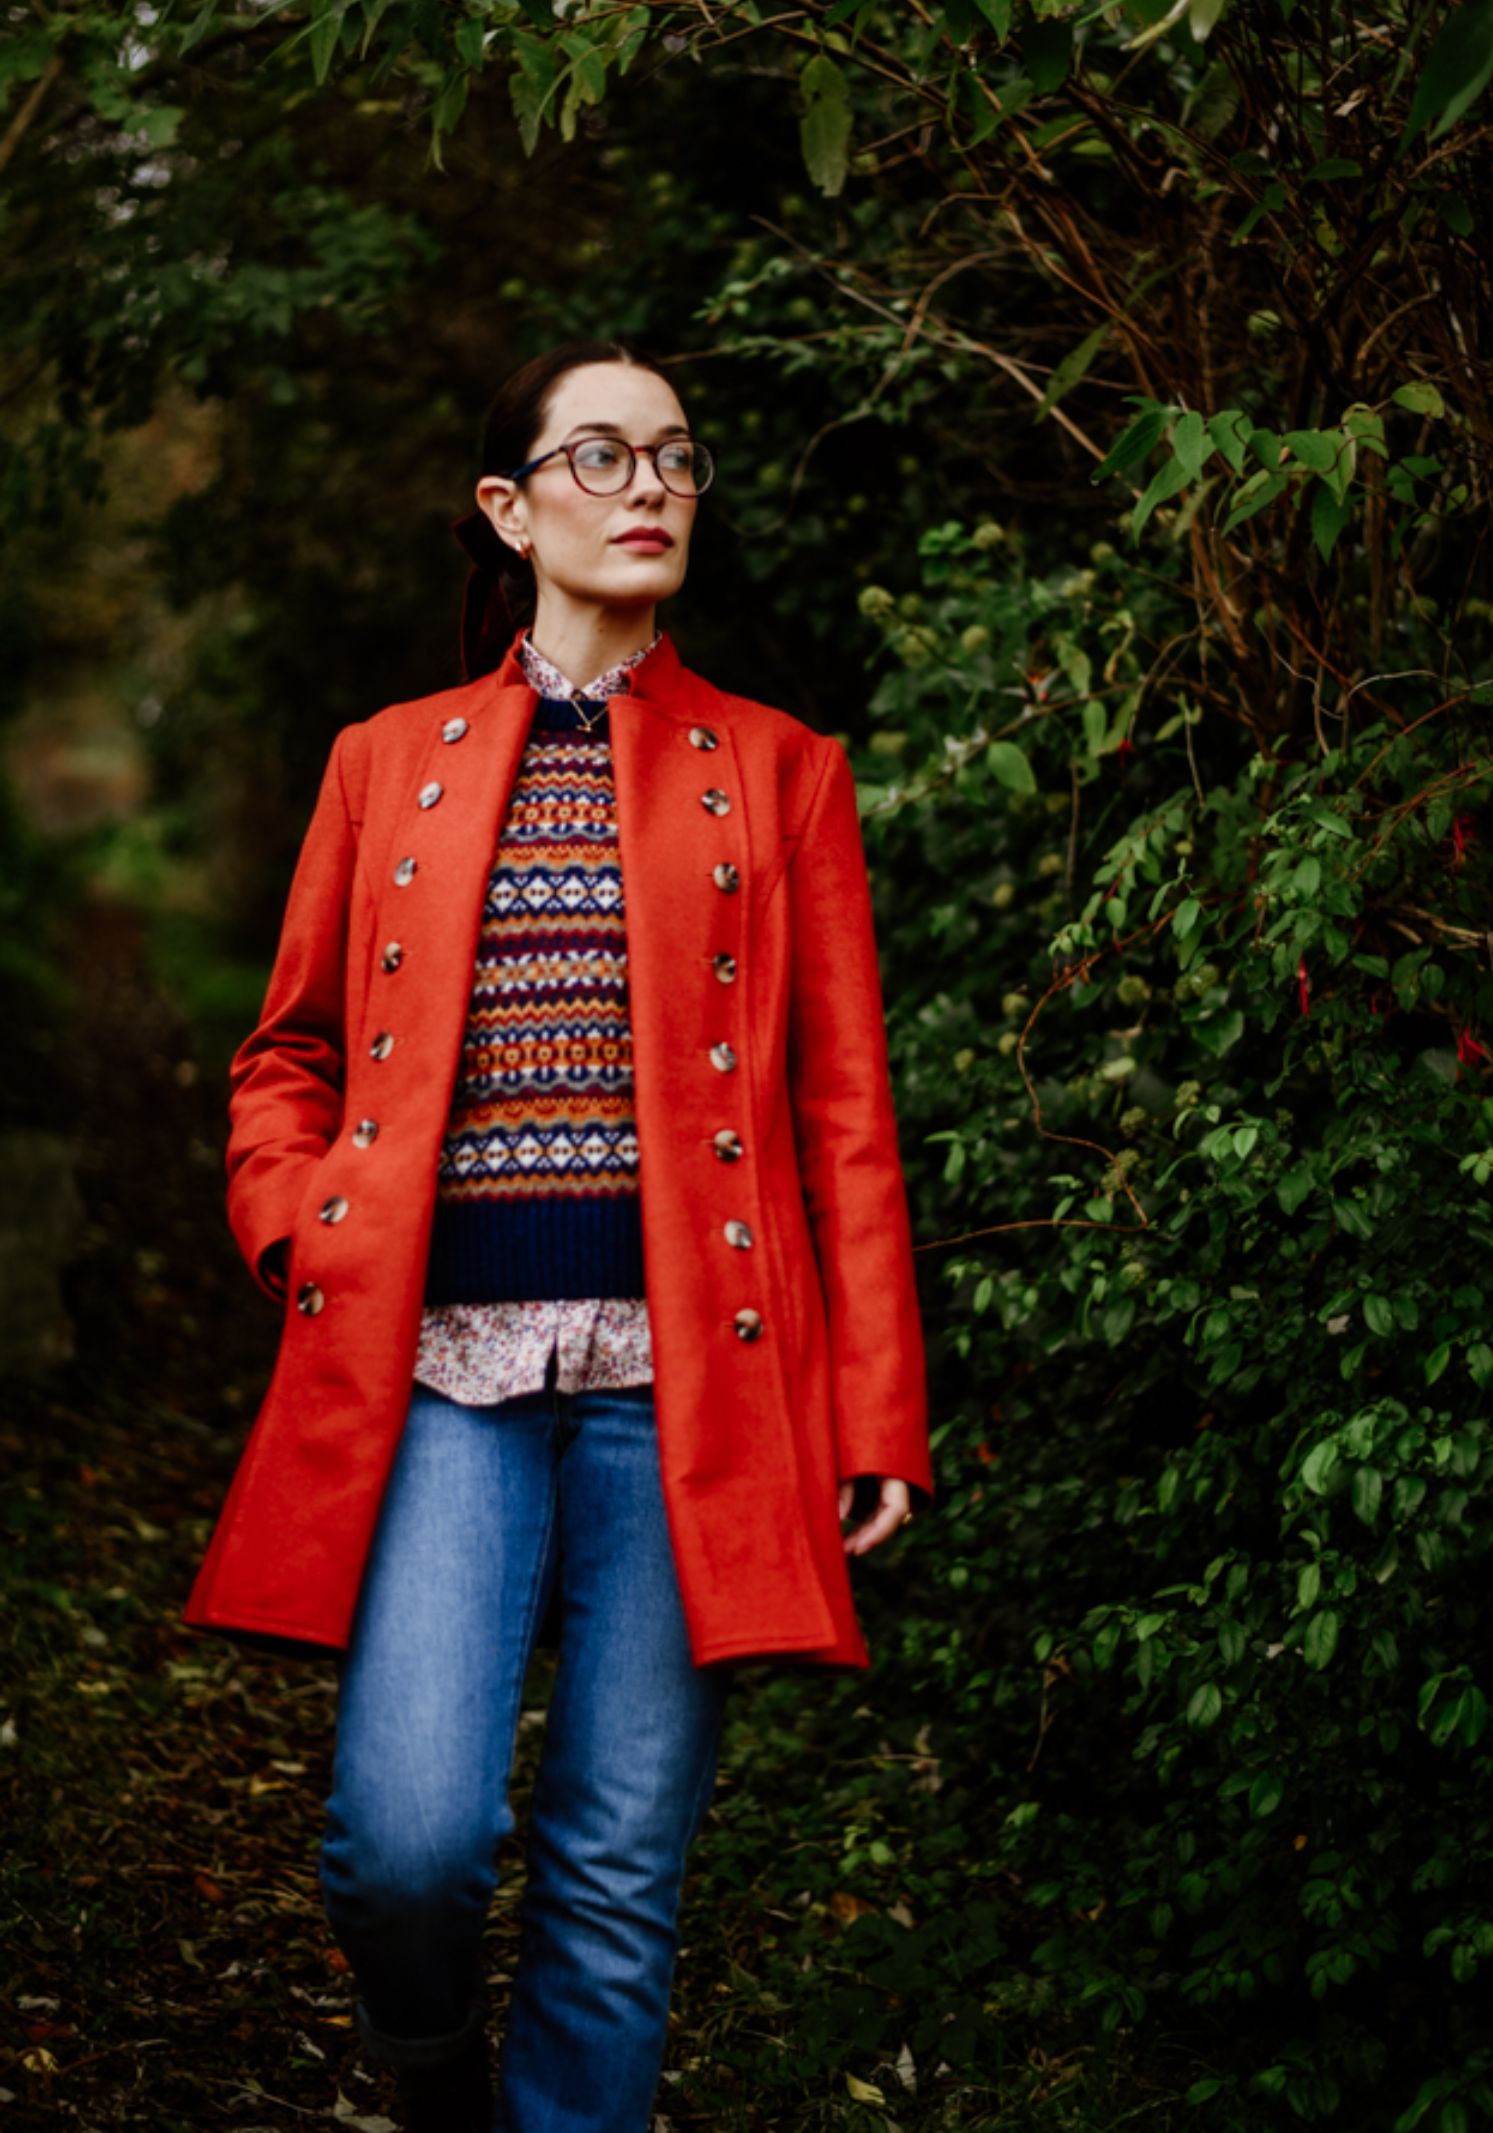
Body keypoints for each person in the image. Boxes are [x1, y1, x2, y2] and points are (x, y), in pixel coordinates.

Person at [183, 338, 933, 2133]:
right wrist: (307, 1225)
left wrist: (875, 1411)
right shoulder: (386, 764)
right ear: (512, 509)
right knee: (407, 1841)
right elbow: (283, 1054)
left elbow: (845, 1115)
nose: (654, 486)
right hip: (438, 1368)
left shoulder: (782, 769)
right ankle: (431, 2073)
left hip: (692, 1389)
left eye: (676, 456)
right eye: (601, 457)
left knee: (611, 1884)